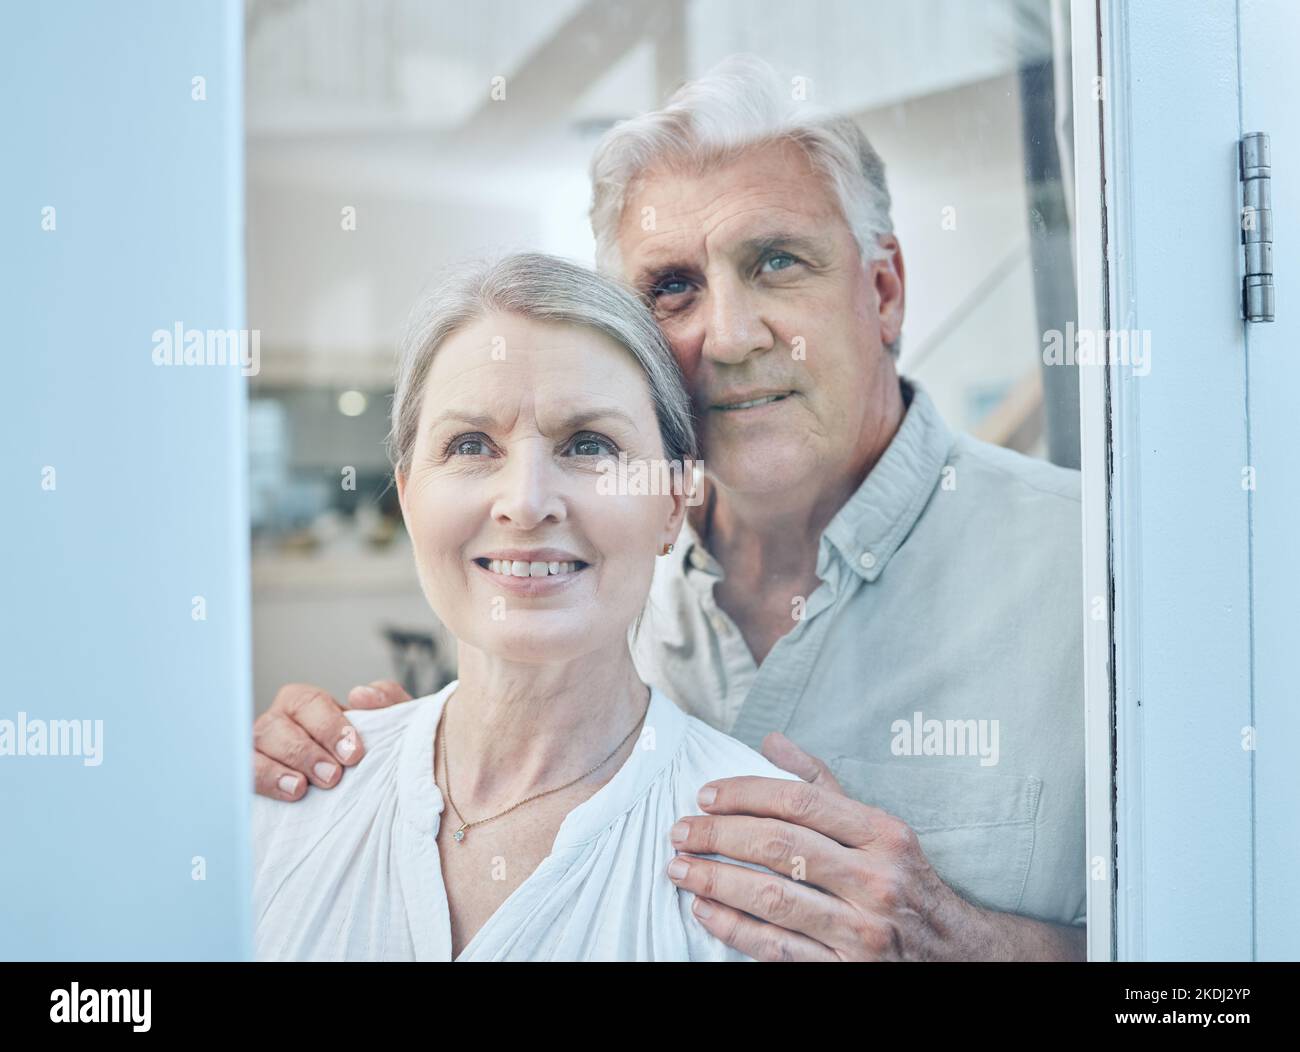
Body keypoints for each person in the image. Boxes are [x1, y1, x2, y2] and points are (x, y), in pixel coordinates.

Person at [255, 56, 1086, 961]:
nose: (728, 337)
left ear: (882, 293)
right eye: (673, 289)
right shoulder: (589, 576)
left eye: (776, 263)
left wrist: (970, 944)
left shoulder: (1095, 573)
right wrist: (366, 759)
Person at [253, 253, 803, 961]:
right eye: (471, 445)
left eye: (589, 444)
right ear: (410, 497)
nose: (526, 501)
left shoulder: (765, 871)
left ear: (672, 504)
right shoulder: (290, 800)